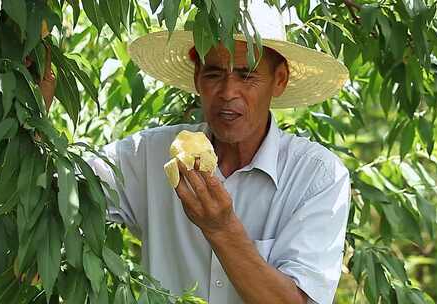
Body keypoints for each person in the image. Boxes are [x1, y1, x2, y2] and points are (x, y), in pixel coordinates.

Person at [40, 2, 350, 303]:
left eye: (246, 75)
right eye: (214, 74)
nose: (228, 93)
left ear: (279, 80)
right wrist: (35, 113)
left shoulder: (317, 176)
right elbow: (53, 196)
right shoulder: (149, 155)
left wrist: (222, 229)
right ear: (196, 78)